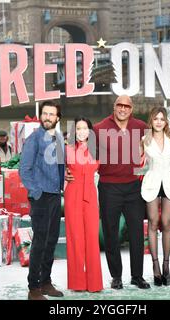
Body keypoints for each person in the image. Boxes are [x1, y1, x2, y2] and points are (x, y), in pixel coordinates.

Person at [67, 95, 150, 290]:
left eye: (126, 106)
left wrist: (140, 173)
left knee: (137, 233)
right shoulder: (99, 128)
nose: (122, 109)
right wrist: (67, 171)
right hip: (109, 186)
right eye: (119, 105)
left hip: (133, 188)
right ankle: (116, 276)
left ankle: (137, 276)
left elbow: (150, 154)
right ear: (114, 107)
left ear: (131, 108)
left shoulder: (141, 126)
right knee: (111, 233)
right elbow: (78, 146)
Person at [19, 100, 65, 300]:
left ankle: (46, 282)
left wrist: (65, 180)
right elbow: (24, 170)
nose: (47, 117)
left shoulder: (60, 137)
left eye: (51, 114)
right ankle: (34, 288)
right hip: (41, 197)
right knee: (39, 242)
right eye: (45, 113)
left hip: (55, 195)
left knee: (51, 240)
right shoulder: (34, 139)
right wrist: (36, 192)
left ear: (57, 118)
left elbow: (60, 165)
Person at [141, 106, 170, 286]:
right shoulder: (144, 140)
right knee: (153, 222)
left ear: (166, 121)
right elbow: (136, 163)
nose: (158, 122)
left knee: (166, 223)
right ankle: (155, 266)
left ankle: (166, 266)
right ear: (151, 120)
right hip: (152, 183)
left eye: (161, 119)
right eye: (155, 118)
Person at [64, 116, 103, 293]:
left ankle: (95, 283)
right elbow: (55, 170)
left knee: (92, 240)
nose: (81, 132)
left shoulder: (98, 149)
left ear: (90, 131)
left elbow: (110, 171)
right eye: (78, 129)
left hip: (90, 195)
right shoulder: (65, 149)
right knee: (75, 238)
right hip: (73, 193)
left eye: (84, 128)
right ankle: (77, 283)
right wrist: (63, 174)